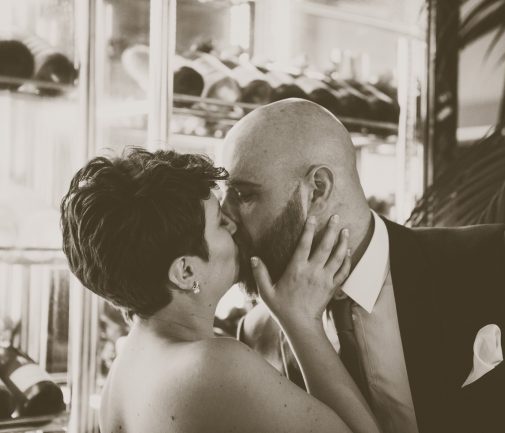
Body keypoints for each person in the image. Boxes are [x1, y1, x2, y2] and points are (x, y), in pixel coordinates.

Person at [223, 98, 505, 433]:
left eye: (244, 195)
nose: (226, 217)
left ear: (317, 188)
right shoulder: (258, 333)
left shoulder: (494, 262)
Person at [60, 148, 382, 433]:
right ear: (186, 272)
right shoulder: (213, 367)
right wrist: (302, 321)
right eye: (219, 222)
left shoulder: (124, 371)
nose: (233, 223)